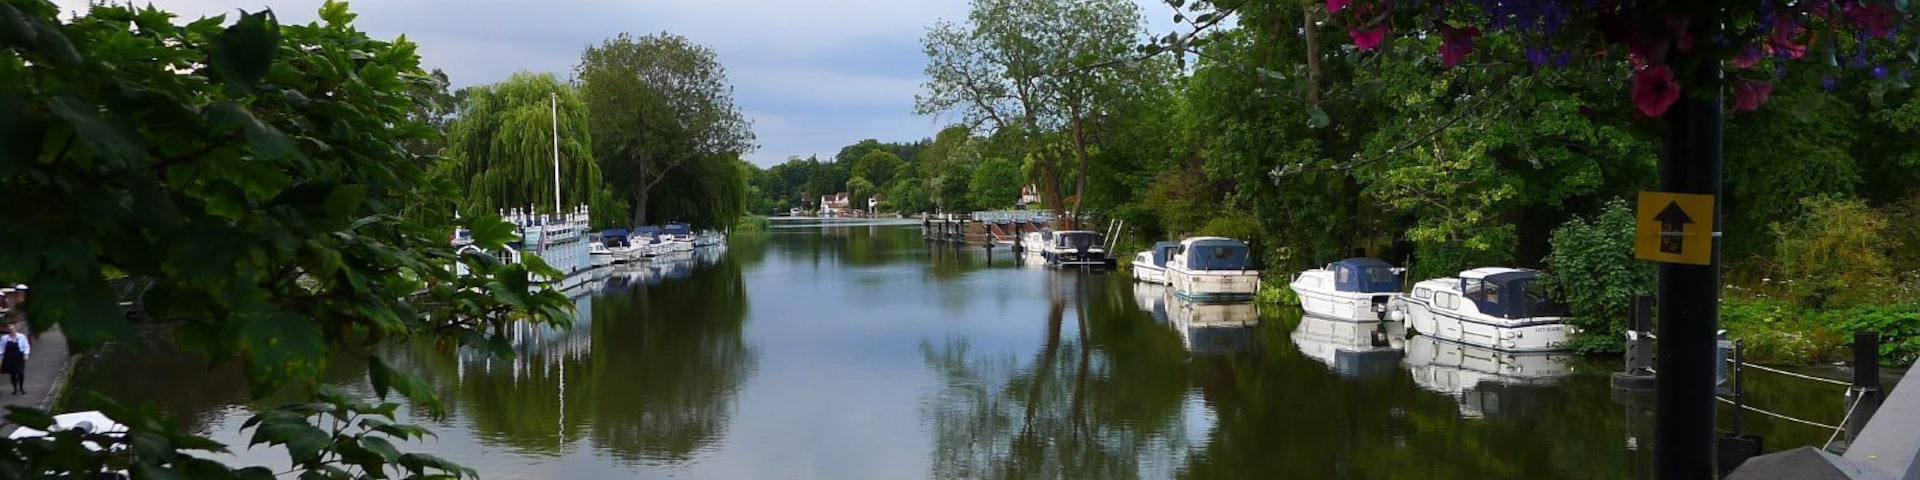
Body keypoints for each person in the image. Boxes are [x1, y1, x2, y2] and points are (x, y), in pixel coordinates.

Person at [1, 323, 28, 395]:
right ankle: (15, 389)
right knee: (13, 374)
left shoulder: (21, 336)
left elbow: (26, 346)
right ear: (8, 330)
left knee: (21, 373)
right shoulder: (4, 338)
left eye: (13, 329)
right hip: (9, 357)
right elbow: (1, 348)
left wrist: (26, 354)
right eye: (10, 329)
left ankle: (21, 388)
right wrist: (1, 356)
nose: (11, 330)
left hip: (19, 356)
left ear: (15, 329)